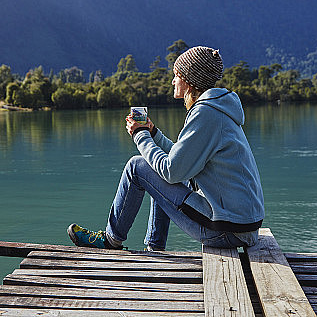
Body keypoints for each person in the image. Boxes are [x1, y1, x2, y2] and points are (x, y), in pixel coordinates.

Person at [67, 46, 264, 251]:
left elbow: (171, 171)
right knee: (156, 167)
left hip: (226, 231)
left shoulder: (206, 113)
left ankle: (110, 240)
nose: (172, 81)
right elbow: (181, 161)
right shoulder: (218, 109)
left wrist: (139, 135)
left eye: (176, 75)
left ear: (189, 80)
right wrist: (153, 134)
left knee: (137, 166)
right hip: (240, 226)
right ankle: (154, 247)